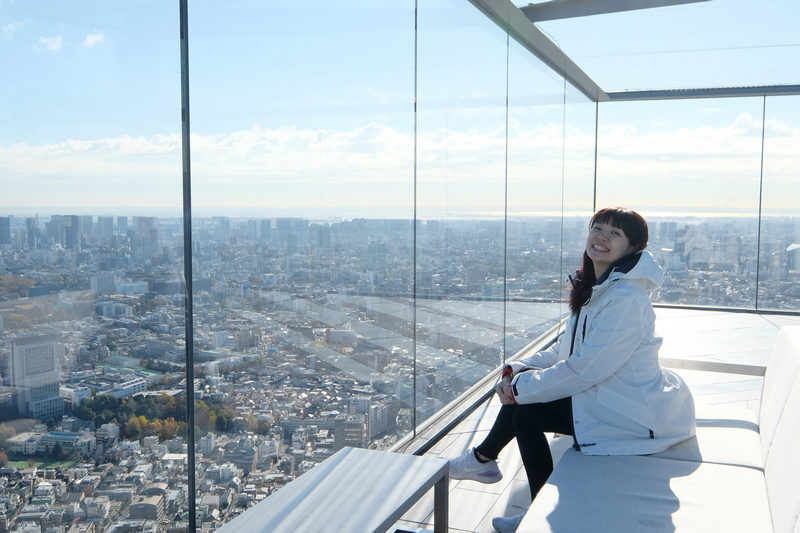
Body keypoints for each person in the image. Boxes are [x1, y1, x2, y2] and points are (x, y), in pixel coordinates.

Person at [448, 207, 696, 533]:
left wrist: (519, 388)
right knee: (524, 409)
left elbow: (585, 370)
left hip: (633, 416)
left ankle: (483, 462)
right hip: (609, 399)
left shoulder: (626, 299)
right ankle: (489, 468)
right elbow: (565, 349)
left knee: (525, 411)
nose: (602, 237)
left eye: (615, 233)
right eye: (598, 228)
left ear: (632, 248)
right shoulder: (599, 287)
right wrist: (518, 368)